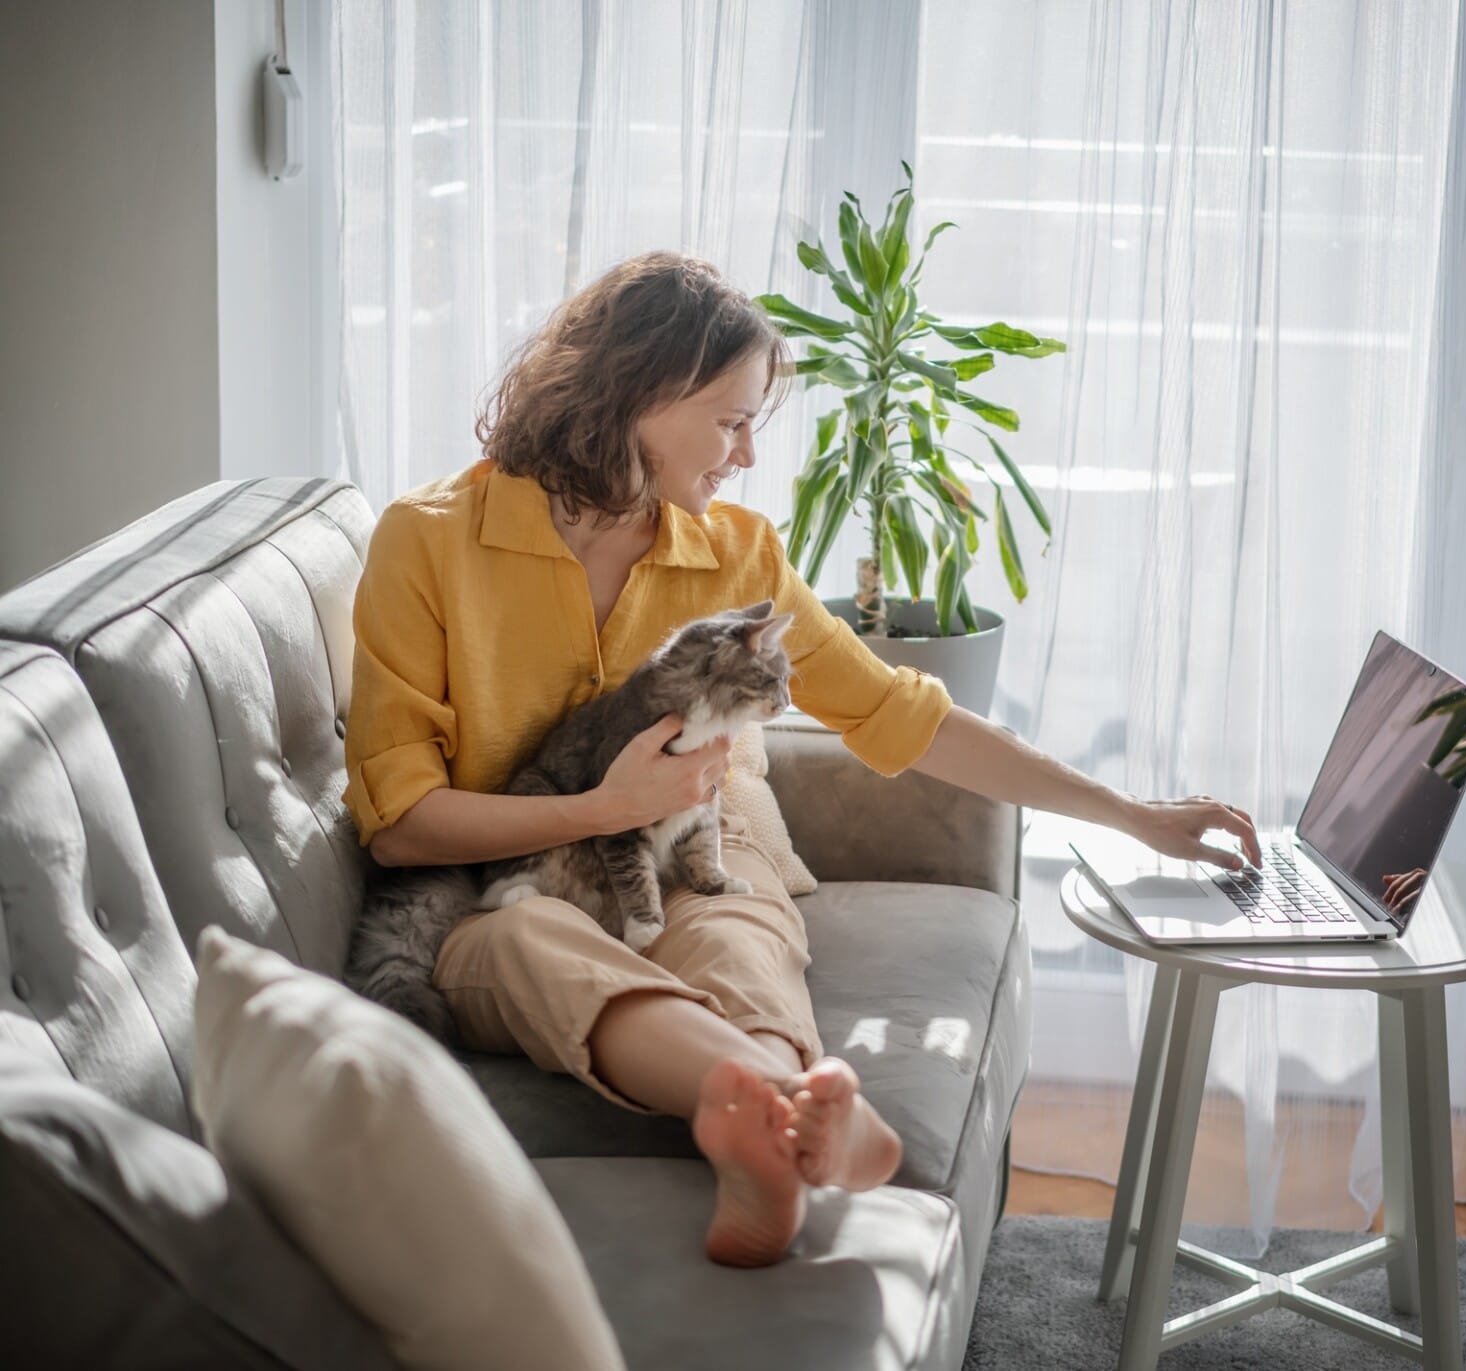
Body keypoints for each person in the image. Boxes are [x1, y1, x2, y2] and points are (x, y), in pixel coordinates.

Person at [342, 251, 1260, 1268]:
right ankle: (789, 1110)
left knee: (735, 934)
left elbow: (899, 712)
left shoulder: (735, 551)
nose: (742, 456)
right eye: (731, 421)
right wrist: (598, 810)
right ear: (638, 393)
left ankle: (763, 1139)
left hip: (699, 833)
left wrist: (1131, 814)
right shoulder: (428, 543)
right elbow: (402, 820)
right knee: (520, 951)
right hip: (506, 879)